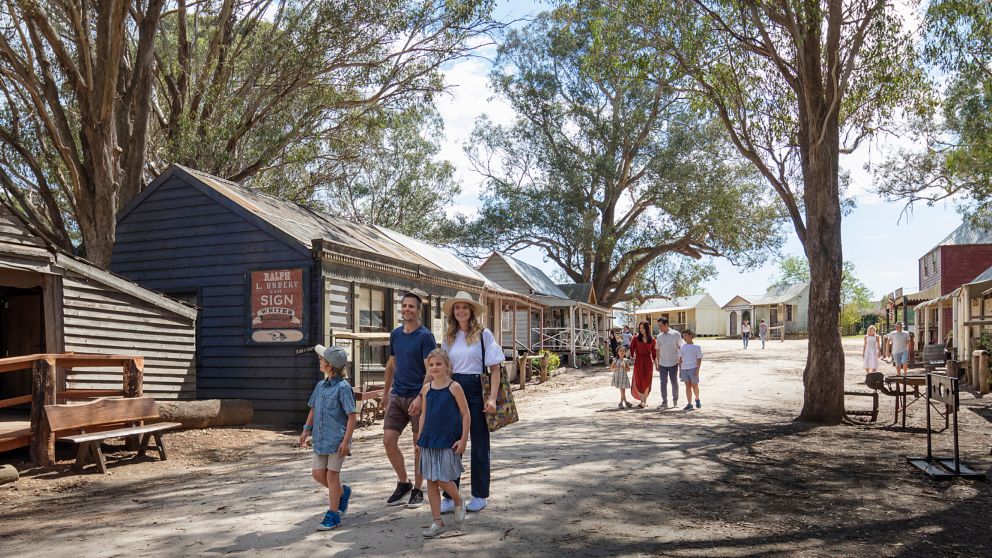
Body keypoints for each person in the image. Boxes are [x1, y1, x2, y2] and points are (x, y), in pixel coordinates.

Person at [439, 291, 503, 514]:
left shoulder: (483, 334)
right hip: (453, 387)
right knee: (451, 443)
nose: (461, 311)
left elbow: (495, 370)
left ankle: (479, 495)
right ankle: (449, 494)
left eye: (465, 307)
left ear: (471, 310)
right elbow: (443, 368)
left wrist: (492, 398)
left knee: (478, 443)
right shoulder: (448, 337)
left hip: (477, 388)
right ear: (453, 313)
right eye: (457, 308)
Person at [383, 292, 437, 508]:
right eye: (404, 306)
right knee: (388, 440)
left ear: (418, 310)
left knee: (418, 446)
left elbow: (430, 371)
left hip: (418, 396)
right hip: (397, 394)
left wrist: (420, 396)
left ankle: (417, 489)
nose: (407, 309)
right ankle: (403, 482)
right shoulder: (395, 334)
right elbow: (391, 364)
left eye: (411, 307)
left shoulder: (425, 336)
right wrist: (386, 392)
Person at [300, 345, 357, 531]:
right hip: (320, 439)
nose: (320, 361)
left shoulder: (343, 388)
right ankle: (342, 492)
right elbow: (313, 408)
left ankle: (333, 515)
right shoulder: (320, 386)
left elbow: (351, 416)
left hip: (337, 441)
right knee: (317, 474)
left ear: (330, 365)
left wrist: (346, 441)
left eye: (322, 359)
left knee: (332, 476)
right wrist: (306, 429)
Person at [417, 349, 470, 538]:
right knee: (431, 481)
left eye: (438, 364)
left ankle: (457, 499)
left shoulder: (454, 387)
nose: (434, 367)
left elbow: (466, 414)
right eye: (431, 365)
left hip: (448, 440)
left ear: (447, 366)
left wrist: (463, 439)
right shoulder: (426, 389)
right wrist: (419, 438)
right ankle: (437, 521)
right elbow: (423, 414)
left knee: (443, 479)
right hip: (429, 440)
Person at [655, 317, 683, 409]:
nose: (659, 328)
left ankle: (675, 401)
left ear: (666, 324)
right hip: (662, 363)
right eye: (658, 326)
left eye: (661, 326)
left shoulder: (676, 334)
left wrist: (680, 359)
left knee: (674, 382)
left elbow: (681, 347)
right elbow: (657, 350)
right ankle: (664, 402)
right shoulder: (659, 337)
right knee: (663, 382)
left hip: (673, 362)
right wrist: (657, 363)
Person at [629, 320, 656, 408]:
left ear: (647, 328)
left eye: (643, 328)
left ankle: (645, 401)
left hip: (648, 361)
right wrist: (631, 357)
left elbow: (654, 353)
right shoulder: (636, 338)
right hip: (639, 361)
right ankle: (642, 401)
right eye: (640, 328)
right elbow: (631, 348)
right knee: (639, 380)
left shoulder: (652, 340)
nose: (641, 330)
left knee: (647, 380)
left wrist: (657, 364)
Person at [679, 329, 703, 410]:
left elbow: (699, 359)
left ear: (690, 336)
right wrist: (680, 370)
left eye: (685, 335)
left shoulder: (697, 347)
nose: (684, 337)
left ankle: (697, 398)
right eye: (683, 336)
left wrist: (697, 370)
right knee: (687, 386)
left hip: (693, 368)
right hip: (684, 369)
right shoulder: (682, 346)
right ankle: (689, 403)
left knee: (694, 385)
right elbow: (680, 358)